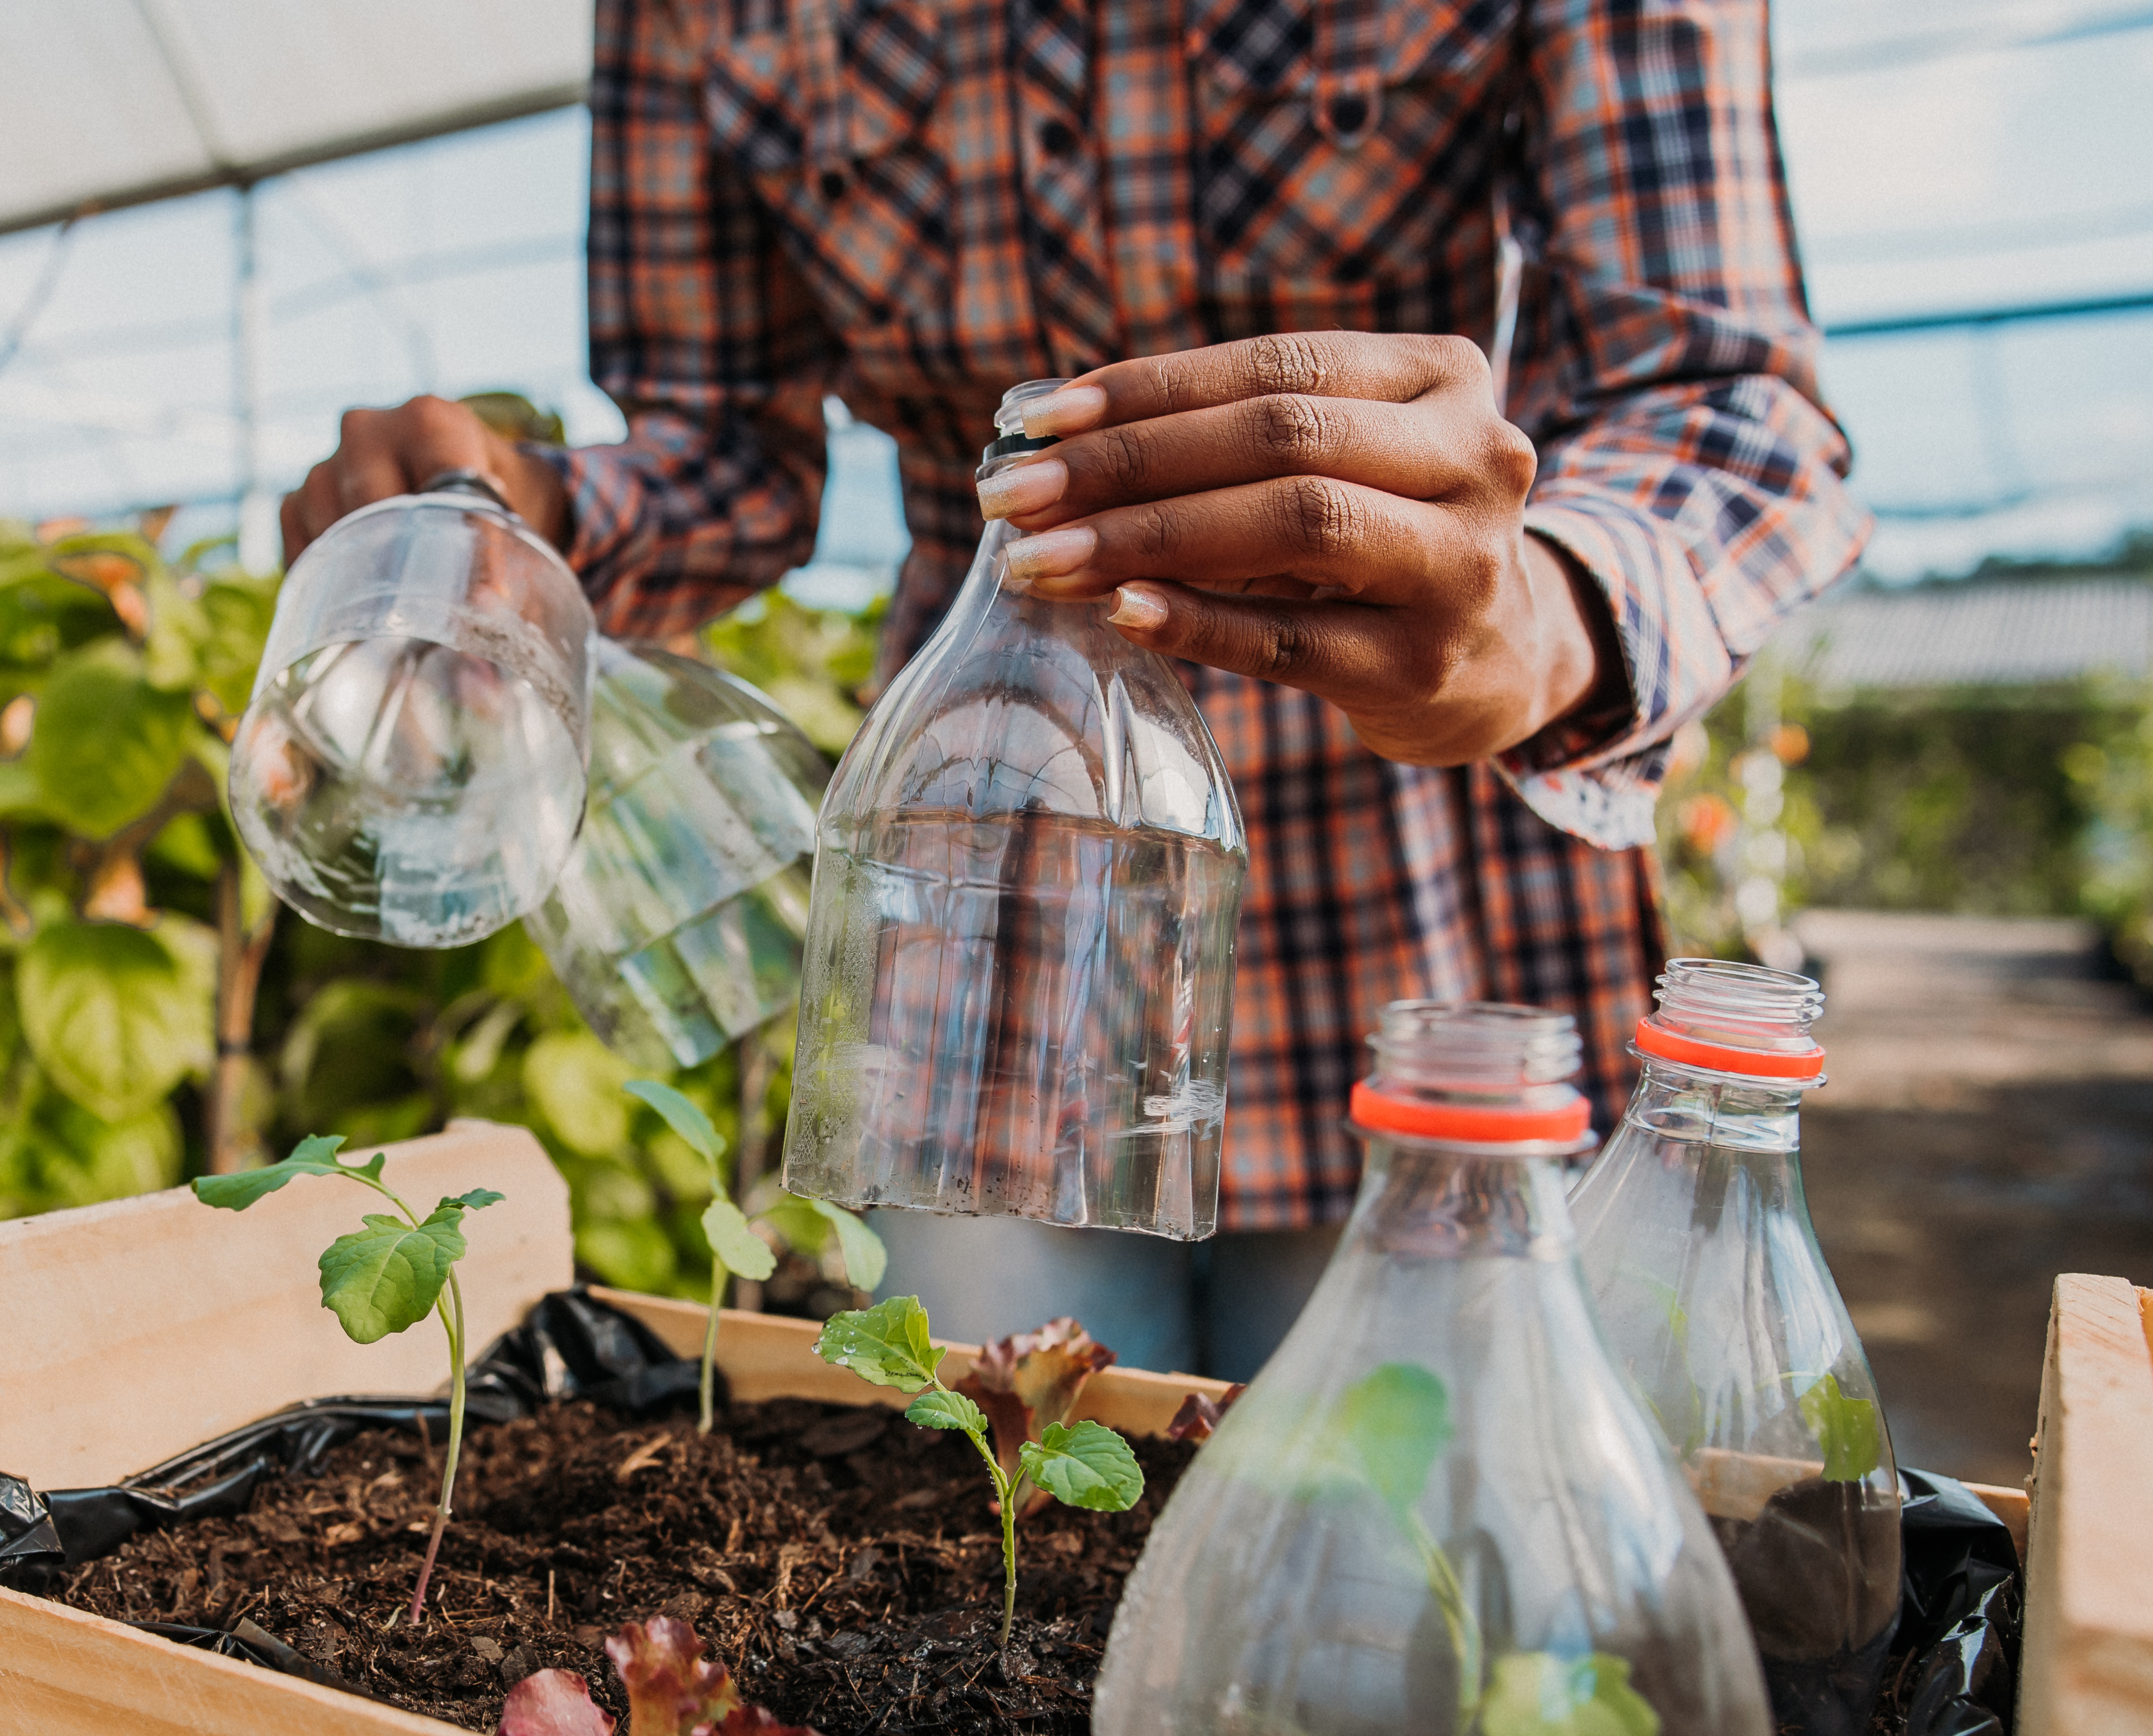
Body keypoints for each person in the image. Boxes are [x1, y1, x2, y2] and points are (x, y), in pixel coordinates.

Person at [279, 0, 1865, 1380]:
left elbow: (1719, 392)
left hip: (1414, 900)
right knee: (992, 1532)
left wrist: (1544, 617)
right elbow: (722, 446)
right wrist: (532, 513)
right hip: (985, 901)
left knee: (1396, 1584)